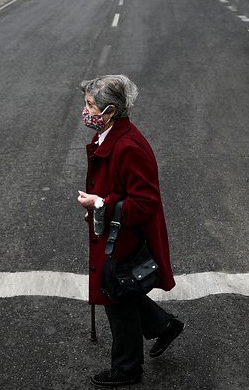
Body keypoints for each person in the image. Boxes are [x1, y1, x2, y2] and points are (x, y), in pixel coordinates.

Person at [76, 75, 181, 388]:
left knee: (115, 297)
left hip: (123, 239)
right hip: (114, 234)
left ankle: (127, 368)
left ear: (110, 111)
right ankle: (163, 326)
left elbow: (145, 202)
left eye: (91, 105)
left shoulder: (127, 146)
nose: (85, 110)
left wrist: (100, 204)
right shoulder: (112, 135)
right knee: (121, 290)